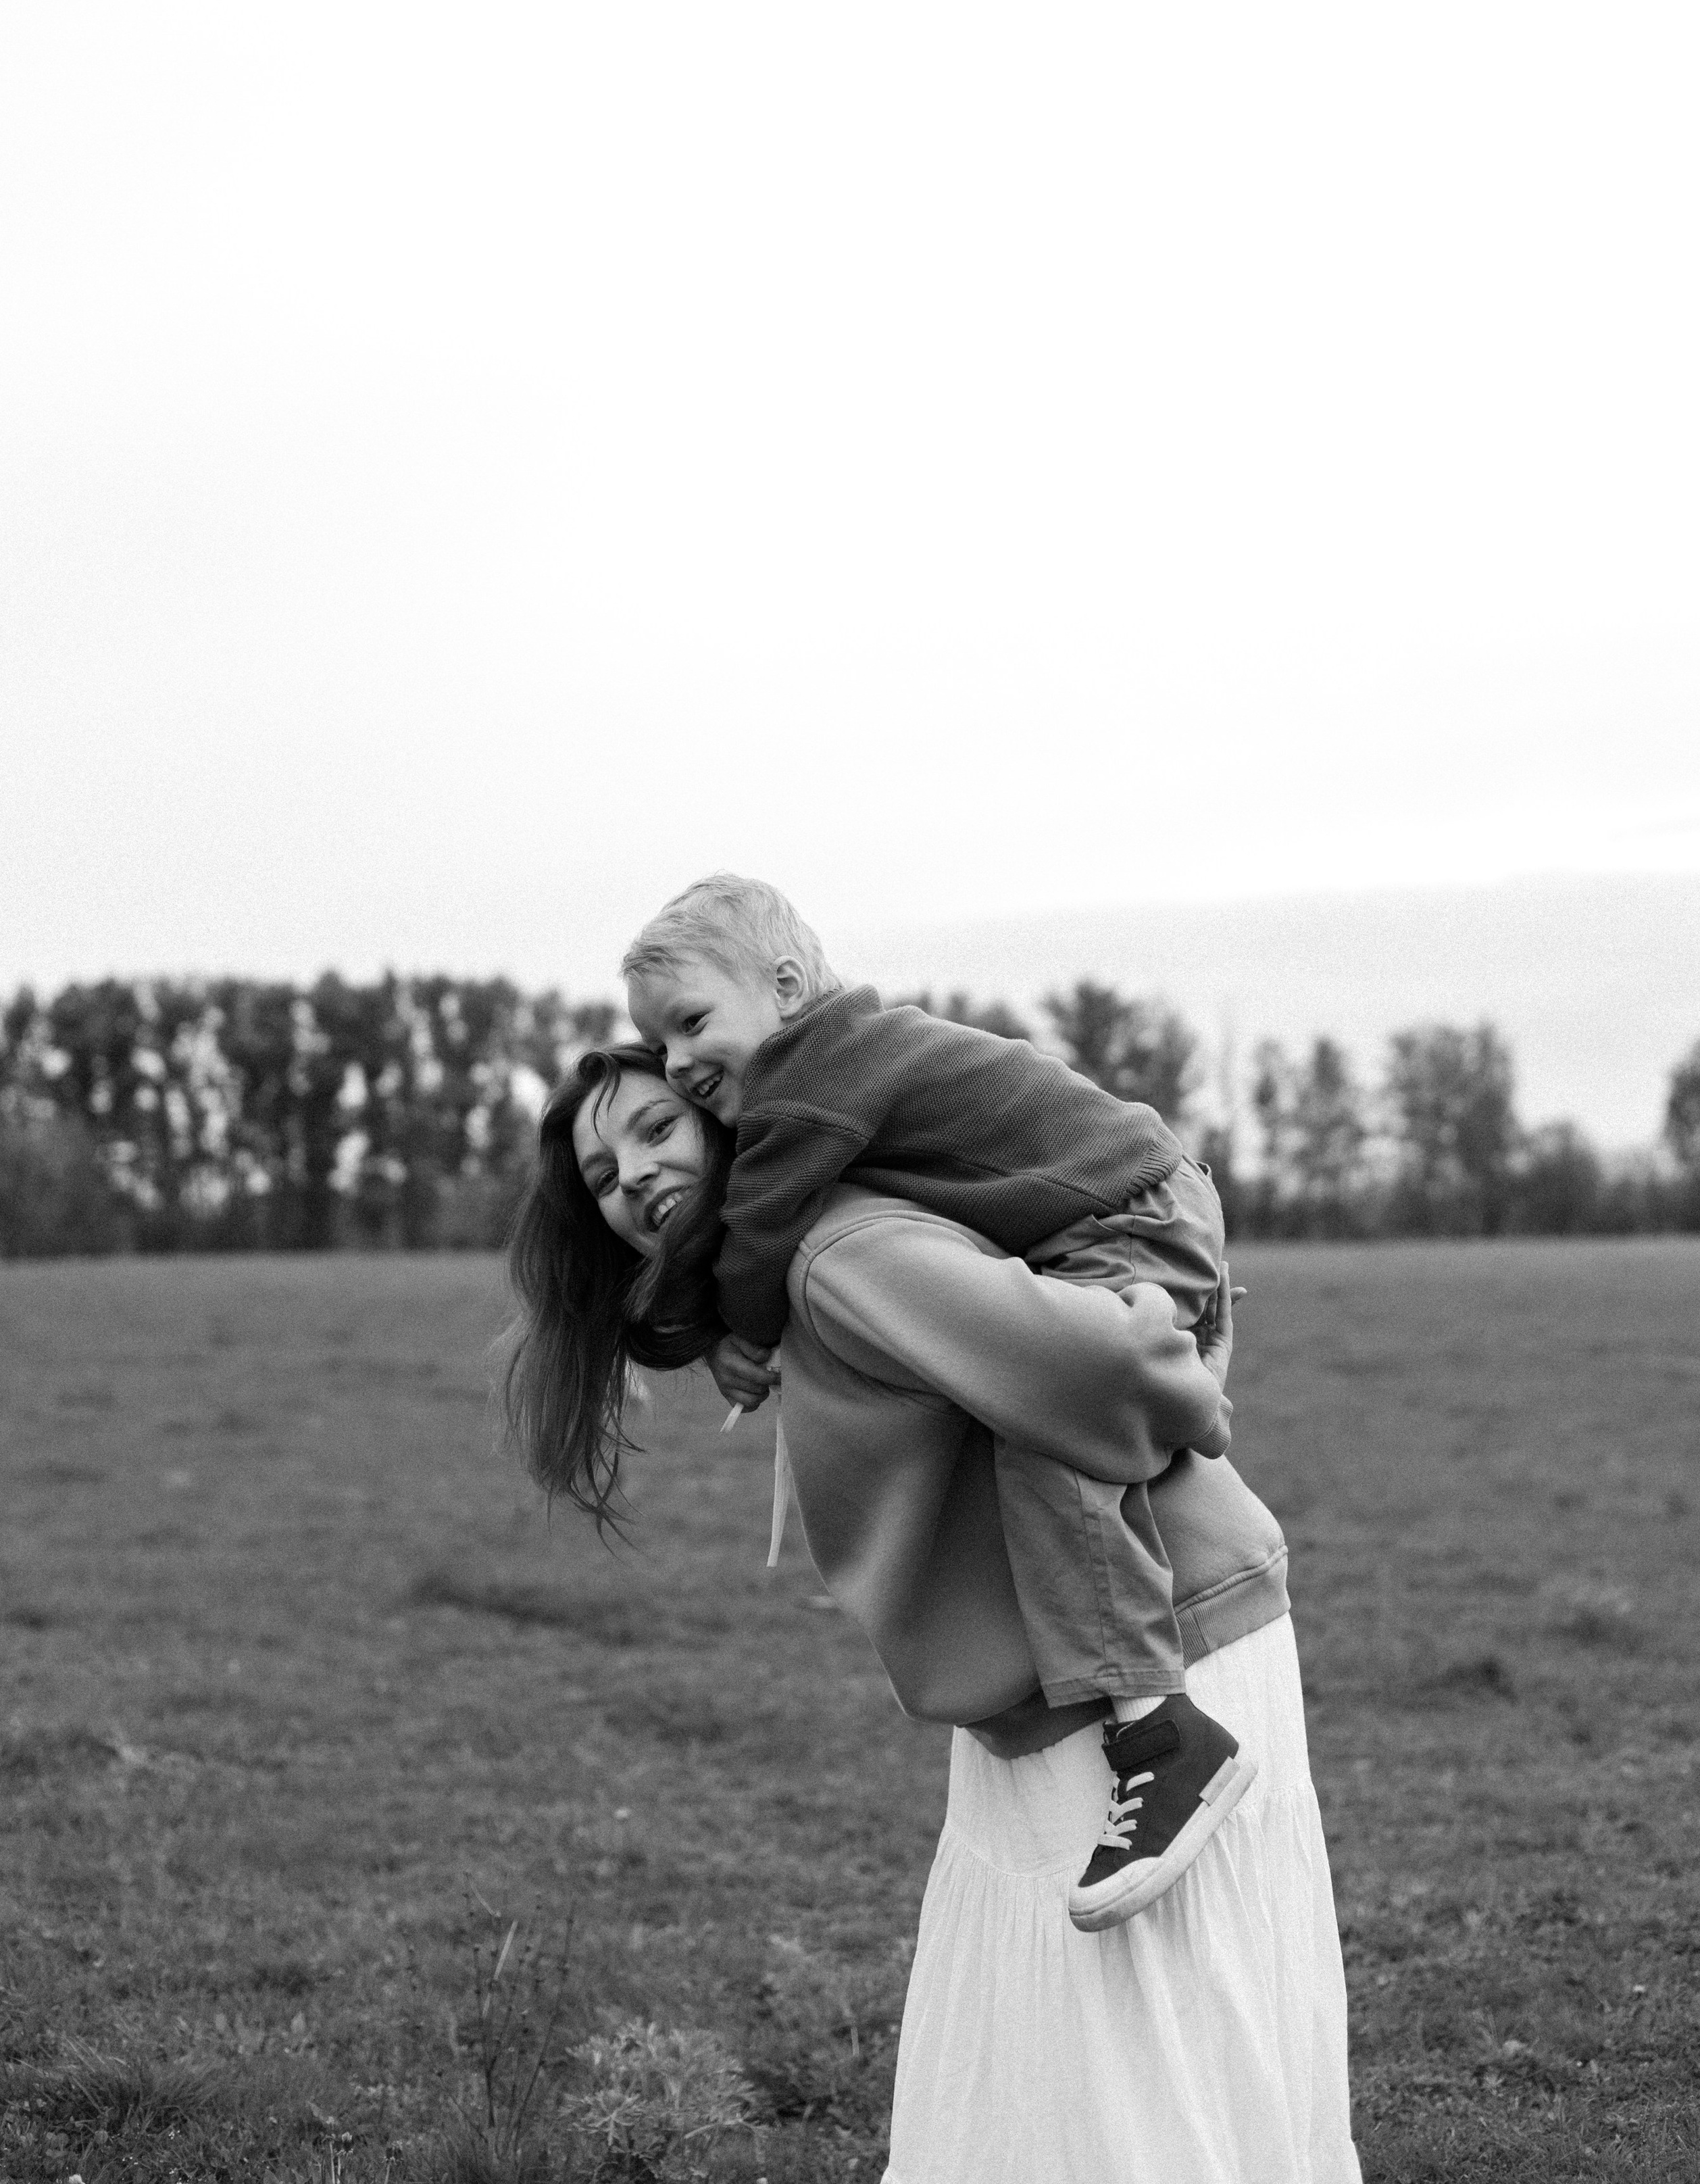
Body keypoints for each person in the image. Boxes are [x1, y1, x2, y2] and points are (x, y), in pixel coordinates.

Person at [502, 1047, 1361, 2184]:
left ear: (729, 1119)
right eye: (605, 1176)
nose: (636, 1177)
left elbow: (1104, 1363)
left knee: (1135, 2049)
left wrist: (1196, 1376)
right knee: (1127, 2043)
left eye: (659, 1128)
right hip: (1065, 1674)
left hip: (1155, 1659)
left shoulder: (838, 1252)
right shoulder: (798, 1266)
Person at [622, 872, 1247, 1931]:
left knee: (1045, 1417)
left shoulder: (815, 1074)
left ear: (784, 987)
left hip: (1125, 1210)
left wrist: (711, 1328)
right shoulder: (845, 1057)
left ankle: (1160, 1727)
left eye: (690, 1024)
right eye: (660, 1043)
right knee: (1041, 1398)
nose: (679, 1064)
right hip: (1131, 1195)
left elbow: (760, 1229)